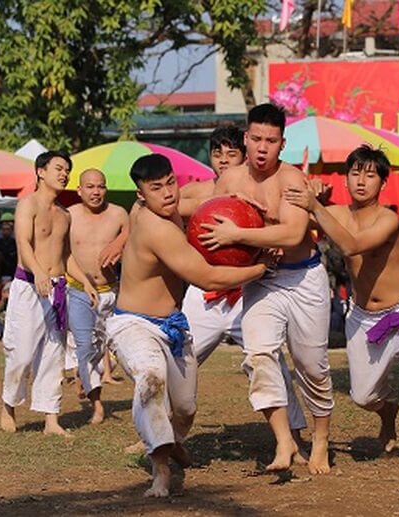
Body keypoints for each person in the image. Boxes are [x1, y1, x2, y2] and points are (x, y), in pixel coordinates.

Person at [284, 144, 399, 479]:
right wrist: (309, 196)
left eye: (371, 174)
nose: (362, 180)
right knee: (363, 396)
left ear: (383, 182)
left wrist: (316, 206)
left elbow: (351, 245)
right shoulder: (336, 214)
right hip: (363, 318)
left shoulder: (388, 219)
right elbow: (296, 227)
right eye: (355, 173)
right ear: (345, 179)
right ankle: (388, 412)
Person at [105, 154, 267, 497]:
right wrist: (259, 269)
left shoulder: (165, 208)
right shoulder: (156, 228)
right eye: (156, 188)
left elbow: (200, 197)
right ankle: (160, 470)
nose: (167, 194)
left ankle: (172, 442)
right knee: (151, 378)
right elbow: (205, 276)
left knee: (186, 409)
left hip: (174, 326)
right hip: (133, 324)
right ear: (140, 195)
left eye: (170, 184)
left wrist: (234, 201)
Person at [199, 103, 334, 474]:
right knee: (258, 356)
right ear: (246, 139)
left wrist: (241, 231)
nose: (262, 147)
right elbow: (208, 220)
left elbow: (293, 233)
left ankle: (321, 438)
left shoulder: (291, 180)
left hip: (303, 277)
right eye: (256, 138)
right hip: (261, 279)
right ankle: (284, 440)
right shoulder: (228, 182)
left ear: (282, 143)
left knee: (312, 367)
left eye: (270, 141)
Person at [177, 125, 309, 447]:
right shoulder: (198, 192)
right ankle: (164, 433)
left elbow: (288, 226)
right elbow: (161, 208)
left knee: (268, 358)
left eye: (231, 153)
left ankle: (291, 435)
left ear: (244, 154)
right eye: (217, 153)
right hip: (206, 290)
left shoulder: (265, 188)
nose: (223, 160)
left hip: (248, 289)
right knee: (178, 356)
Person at [0, 150, 87, 436]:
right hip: (28, 285)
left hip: (57, 289)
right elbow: (23, 243)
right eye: (59, 168)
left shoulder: (65, 214)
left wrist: (84, 281)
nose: (64, 174)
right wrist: (38, 271)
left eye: (67, 170)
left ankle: (51, 418)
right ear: (41, 171)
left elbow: (67, 256)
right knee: (21, 353)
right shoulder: (28, 204)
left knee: (54, 354)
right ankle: (8, 405)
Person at [66, 168, 129, 425]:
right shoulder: (68, 215)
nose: (95, 192)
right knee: (84, 346)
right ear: (79, 190)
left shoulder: (119, 214)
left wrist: (121, 242)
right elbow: (62, 255)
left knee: (118, 346)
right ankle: (98, 405)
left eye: (100, 186)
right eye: (90, 187)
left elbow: (137, 233)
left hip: (112, 291)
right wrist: (83, 281)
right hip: (79, 290)